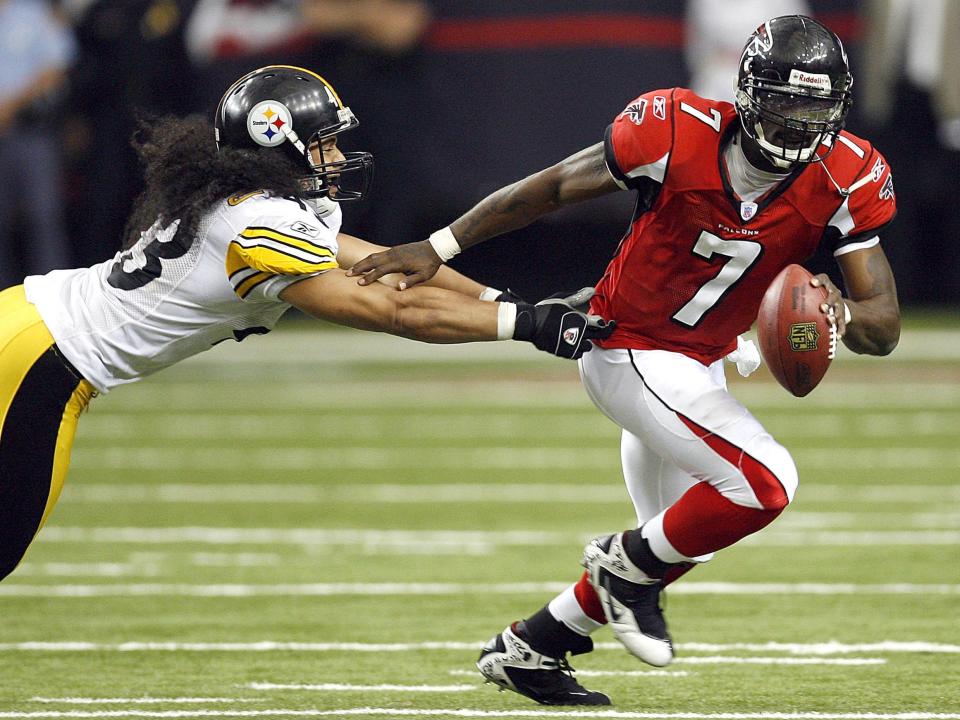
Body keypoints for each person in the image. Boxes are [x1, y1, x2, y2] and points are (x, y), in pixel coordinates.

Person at [348, 16, 902, 706]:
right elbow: (548, 189)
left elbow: (883, 325)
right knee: (765, 484)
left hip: (700, 363)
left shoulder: (847, 174)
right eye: (786, 105)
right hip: (628, 345)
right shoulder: (674, 128)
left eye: (815, 110)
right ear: (749, 95)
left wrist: (838, 312)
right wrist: (440, 245)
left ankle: (532, 647)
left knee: (675, 540)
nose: (798, 125)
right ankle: (620, 573)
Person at [0, 65, 613, 584]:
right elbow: (393, 310)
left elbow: (387, 268)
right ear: (277, 141)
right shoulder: (257, 223)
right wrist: (527, 325)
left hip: (23, 320)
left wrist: (503, 297)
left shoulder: (256, 200)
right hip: (43, 359)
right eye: (324, 144)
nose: (337, 158)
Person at [0, 0, 77, 289]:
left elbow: (57, 66)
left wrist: (11, 105)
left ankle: (57, 293)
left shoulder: (33, 13)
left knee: (43, 215)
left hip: (30, 129)